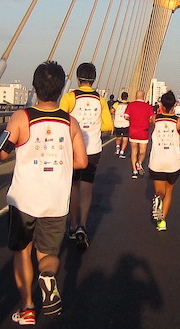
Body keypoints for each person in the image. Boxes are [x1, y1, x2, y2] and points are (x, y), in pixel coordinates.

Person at [0, 61, 87, 325]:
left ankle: (27, 308)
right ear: (60, 90)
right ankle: (47, 277)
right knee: (48, 255)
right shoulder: (70, 122)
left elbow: (1, 152)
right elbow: (81, 162)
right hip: (56, 200)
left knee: (22, 251)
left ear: (35, 87)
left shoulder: (22, 117)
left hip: (24, 199)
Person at [60, 62, 112, 250]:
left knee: (73, 186)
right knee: (87, 187)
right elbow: (107, 125)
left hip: (73, 149)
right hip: (93, 149)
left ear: (77, 78)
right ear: (94, 79)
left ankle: (72, 226)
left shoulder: (69, 97)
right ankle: (83, 224)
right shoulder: (101, 100)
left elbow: (61, 119)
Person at [146, 91, 180, 231]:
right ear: (175, 105)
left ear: (161, 104)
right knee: (169, 191)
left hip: (156, 161)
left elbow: (149, 121)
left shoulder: (154, 119)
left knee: (159, 191)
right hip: (173, 162)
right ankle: (162, 222)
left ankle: (158, 198)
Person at [124, 90, 154, 180]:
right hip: (143, 132)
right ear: (144, 97)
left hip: (133, 132)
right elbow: (151, 119)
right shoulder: (148, 107)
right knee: (142, 152)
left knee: (134, 152)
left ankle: (134, 171)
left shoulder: (131, 105)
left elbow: (125, 116)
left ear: (135, 96)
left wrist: (132, 119)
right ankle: (139, 163)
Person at [112, 90, 130, 158]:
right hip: (126, 123)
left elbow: (112, 111)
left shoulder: (116, 104)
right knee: (125, 137)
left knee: (118, 137)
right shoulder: (129, 104)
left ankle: (117, 149)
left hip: (117, 123)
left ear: (121, 97)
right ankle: (122, 152)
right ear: (127, 97)